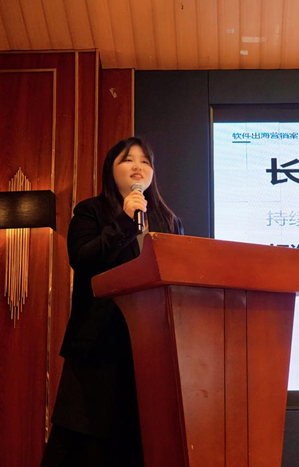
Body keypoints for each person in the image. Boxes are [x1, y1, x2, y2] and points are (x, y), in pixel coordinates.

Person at [41, 137, 184, 466]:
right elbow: (83, 259)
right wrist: (124, 220)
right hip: (98, 348)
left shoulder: (168, 220)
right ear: (111, 169)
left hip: (150, 350)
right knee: (83, 447)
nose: (138, 167)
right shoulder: (90, 211)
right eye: (128, 159)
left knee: (138, 446)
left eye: (145, 161)